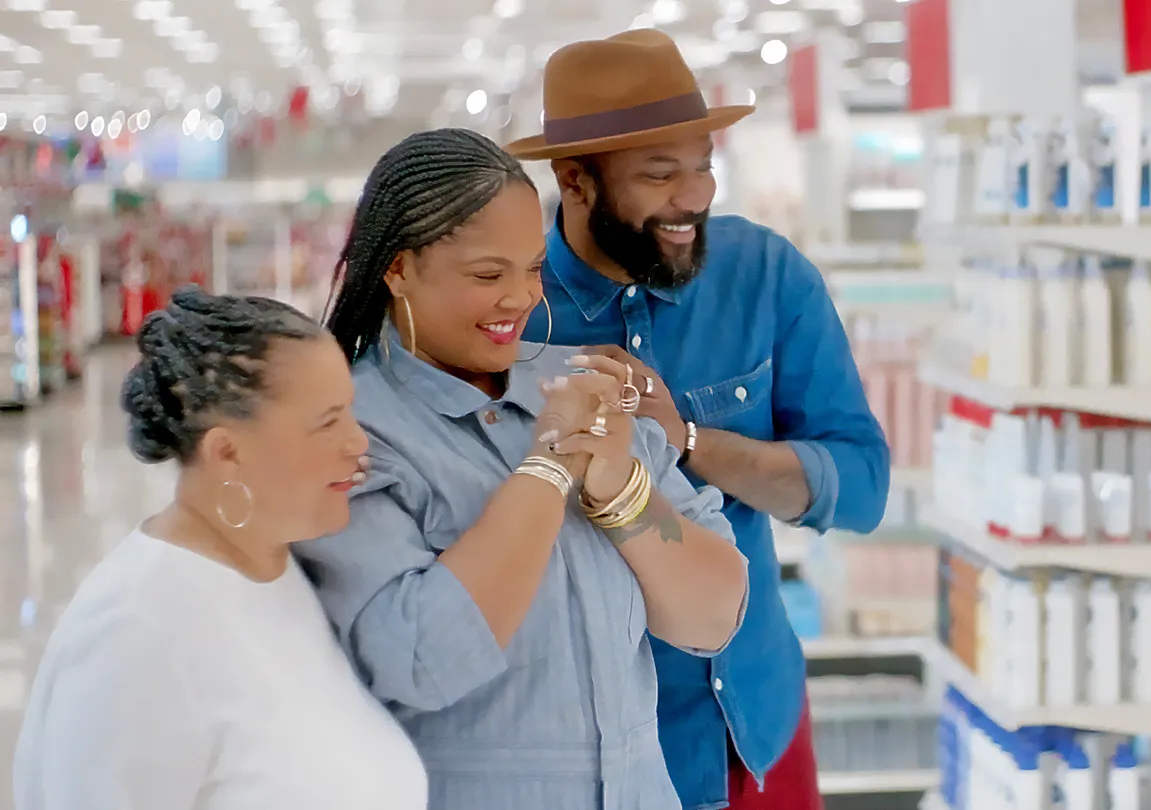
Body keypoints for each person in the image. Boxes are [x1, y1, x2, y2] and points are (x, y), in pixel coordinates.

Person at [298, 127, 750, 810]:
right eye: (487, 275)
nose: (521, 298)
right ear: (397, 269)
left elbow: (715, 617)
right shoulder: (349, 433)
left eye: (534, 267)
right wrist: (546, 470)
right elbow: (420, 660)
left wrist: (625, 494)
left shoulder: (583, 387)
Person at [509, 29, 891, 810]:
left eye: (704, 165)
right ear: (575, 181)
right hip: (587, 755)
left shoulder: (765, 275)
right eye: (660, 174)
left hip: (749, 723)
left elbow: (861, 489)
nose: (697, 197)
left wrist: (683, 438)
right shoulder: (510, 309)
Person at [13, 287, 426, 810]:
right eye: (328, 422)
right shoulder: (136, 634)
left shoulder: (276, 568)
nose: (358, 442)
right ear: (227, 452)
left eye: (350, 411)